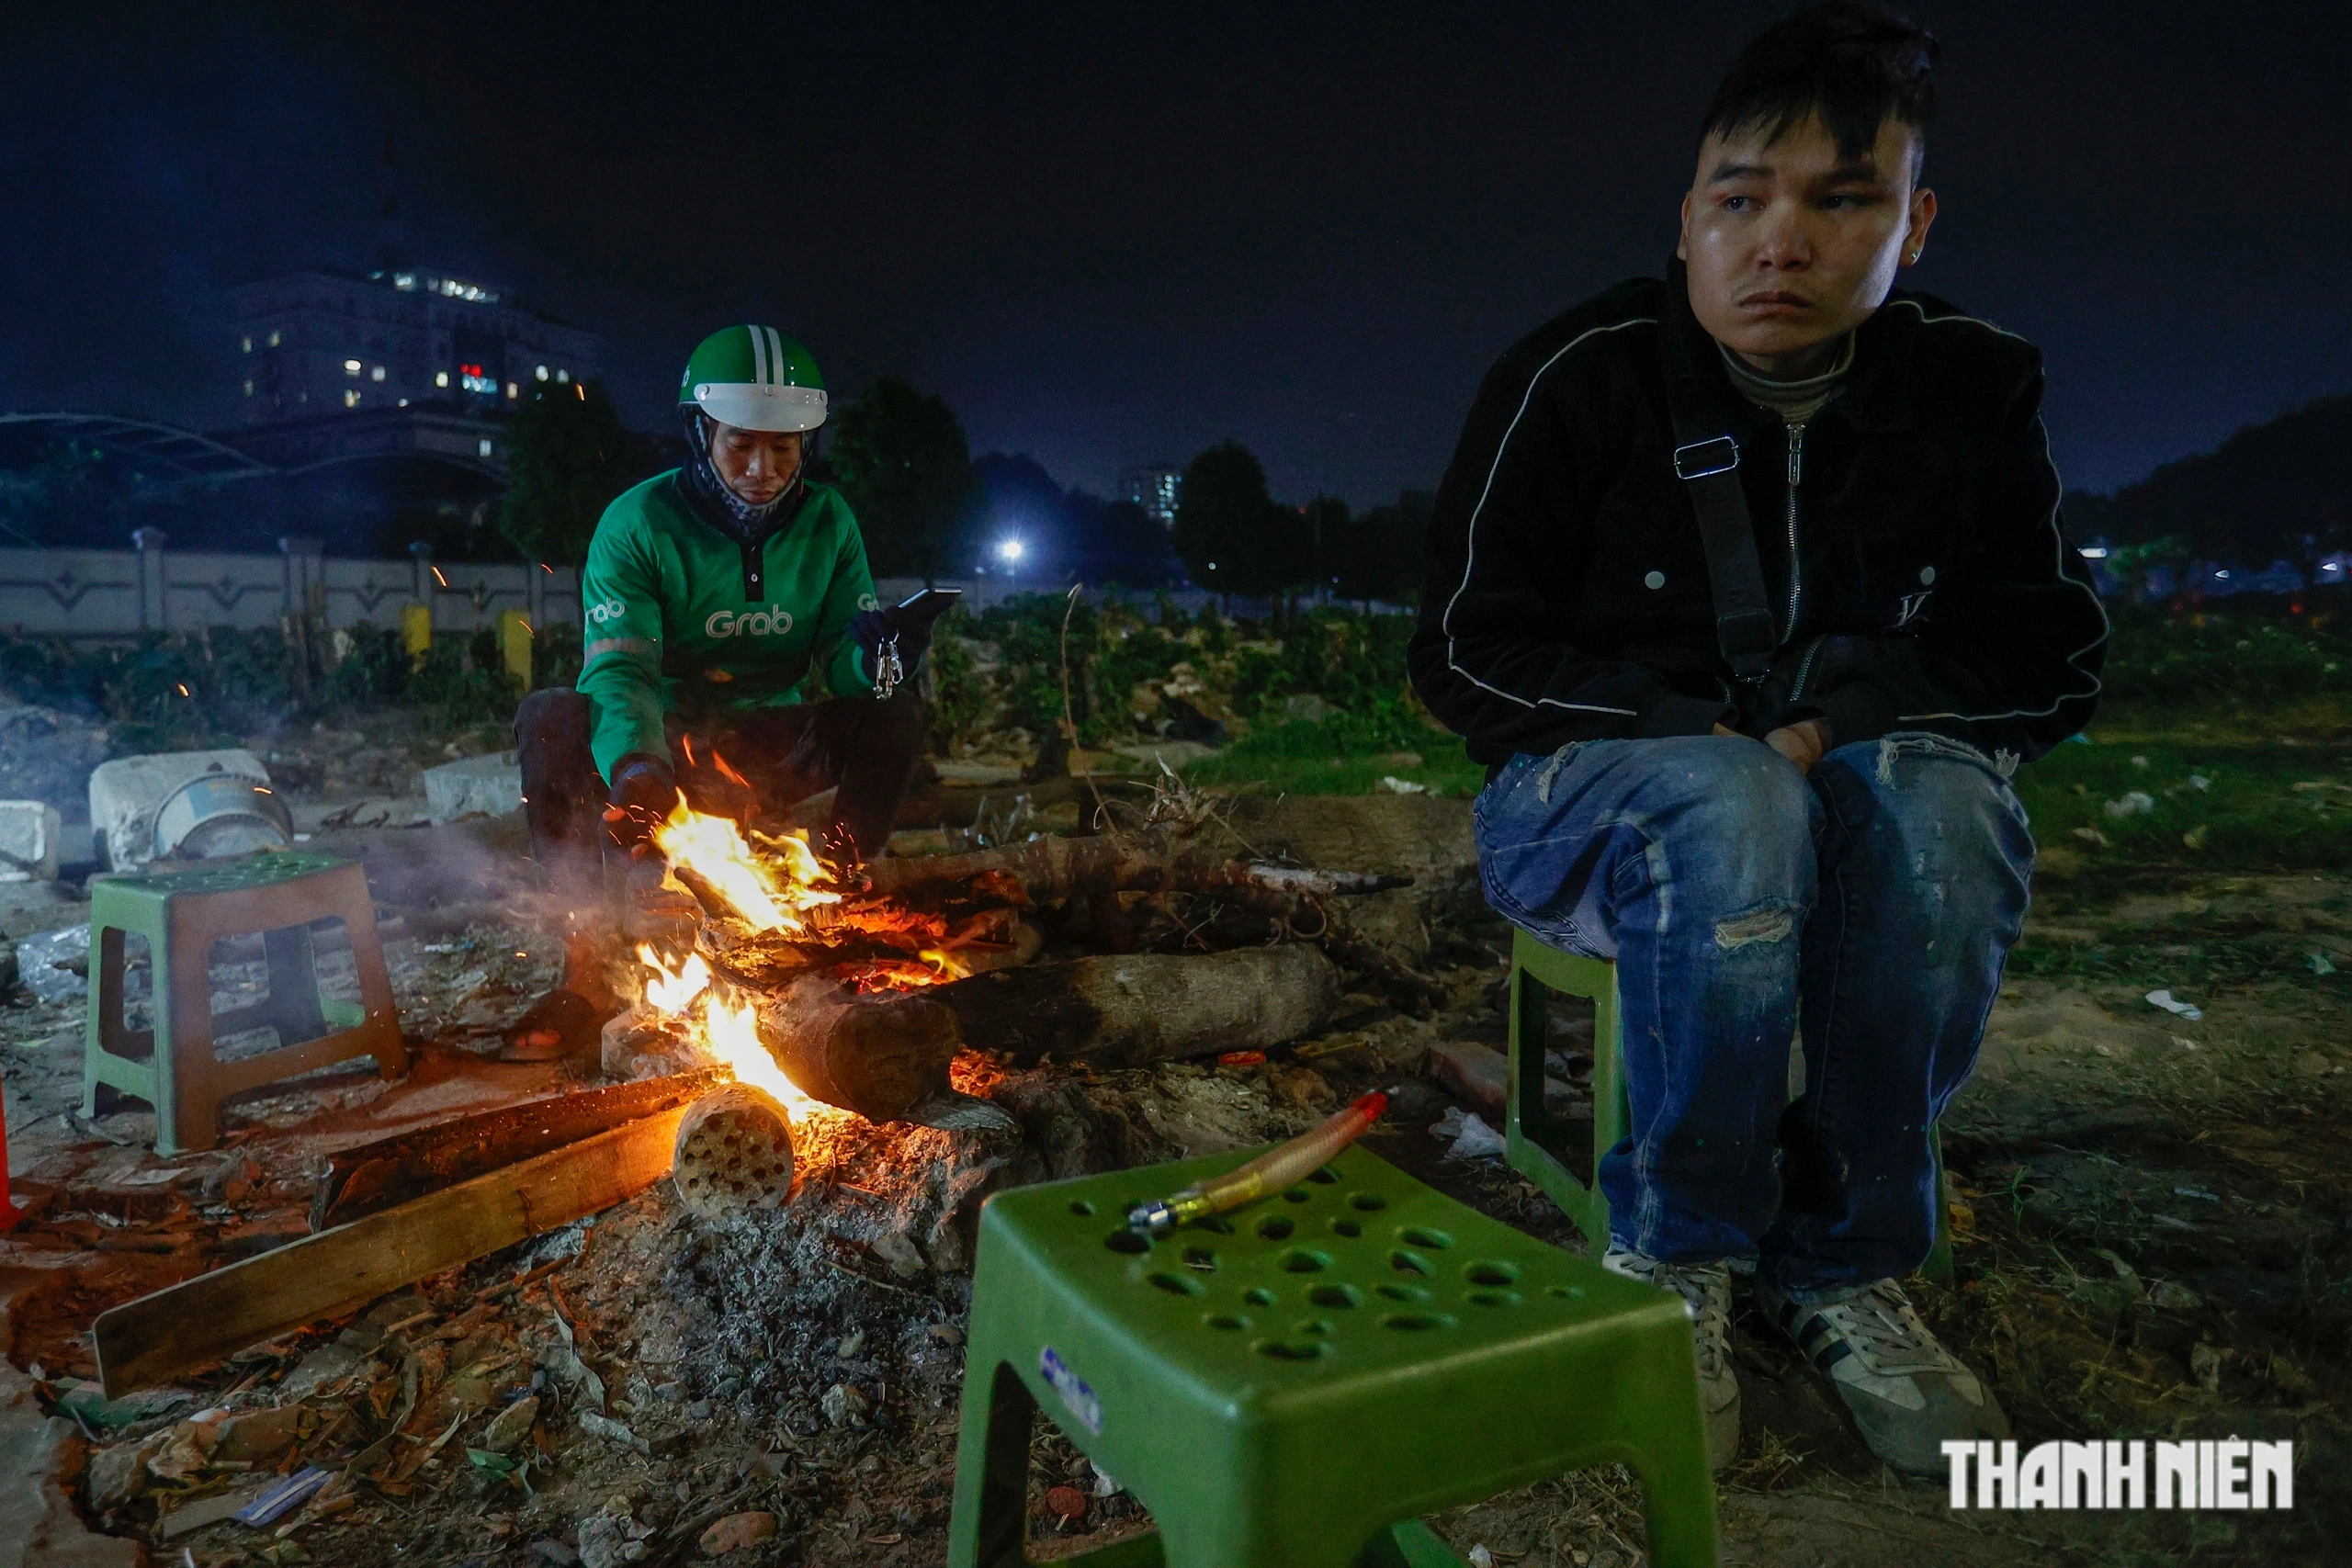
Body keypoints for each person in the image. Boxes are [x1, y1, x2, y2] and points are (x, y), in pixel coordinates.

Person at [1408, 3, 2106, 1475]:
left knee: (1945, 813)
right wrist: (1704, 737)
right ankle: (1676, 1252)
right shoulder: (1576, 375)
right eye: (1739, 202)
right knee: (1732, 807)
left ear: (1914, 222)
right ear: (1686, 221)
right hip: (1580, 805)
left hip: (1837, 790)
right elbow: (1463, 650)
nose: (1779, 243)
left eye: (1839, 201)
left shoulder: (1972, 390)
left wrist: (1838, 729)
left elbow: (2041, 652)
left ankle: (1844, 1261)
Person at [504, 325, 934, 1061]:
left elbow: (845, 668)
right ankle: (583, 971)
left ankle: (833, 914)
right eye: (741, 444)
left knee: (896, 709)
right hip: (663, 753)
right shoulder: (637, 523)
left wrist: (882, 659)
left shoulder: (829, 522)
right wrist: (637, 765)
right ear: (700, 432)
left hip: (772, 749)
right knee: (548, 716)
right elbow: (620, 671)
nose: (764, 469)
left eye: (785, 448)